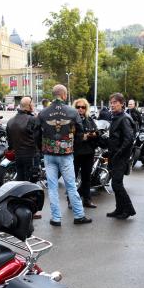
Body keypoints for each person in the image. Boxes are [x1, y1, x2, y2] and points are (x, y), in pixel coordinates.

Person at [36, 84, 91, 226]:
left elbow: (36, 133)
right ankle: (79, 215)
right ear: (64, 95)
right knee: (71, 185)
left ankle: (56, 218)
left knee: (52, 187)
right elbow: (81, 131)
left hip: (49, 154)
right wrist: (73, 145)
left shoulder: (43, 113)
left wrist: (41, 148)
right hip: (66, 154)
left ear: (53, 94)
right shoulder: (72, 112)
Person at [5, 97, 41, 217]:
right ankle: (30, 211)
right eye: (32, 104)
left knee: (21, 182)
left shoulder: (10, 121)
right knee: (31, 184)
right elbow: (38, 137)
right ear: (29, 105)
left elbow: (10, 143)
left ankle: (20, 209)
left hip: (18, 156)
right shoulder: (32, 120)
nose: (34, 105)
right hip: (31, 155)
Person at [105, 93, 136, 219]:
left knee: (117, 184)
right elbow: (114, 138)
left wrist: (118, 153)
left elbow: (129, 139)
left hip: (121, 157)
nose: (112, 105)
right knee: (115, 183)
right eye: (111, 102)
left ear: (122, 103)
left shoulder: (124, 118)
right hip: (114, 156)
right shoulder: (115, 117)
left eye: (114, 102)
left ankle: (128, 209)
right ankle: (119, 209)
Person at [72, 98, 98, 209]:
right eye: (78, 107)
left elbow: (97, 131)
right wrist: (84, 136)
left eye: (83, 107)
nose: (80, 109)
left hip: (88, 152)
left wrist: (95, 134)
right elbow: (69, 136)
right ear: (75, 108)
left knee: (87, 177)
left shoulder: (90, 119)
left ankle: (87, 199)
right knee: (72, 178)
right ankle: (71, 200)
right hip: (75, 152)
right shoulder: (71, 120)